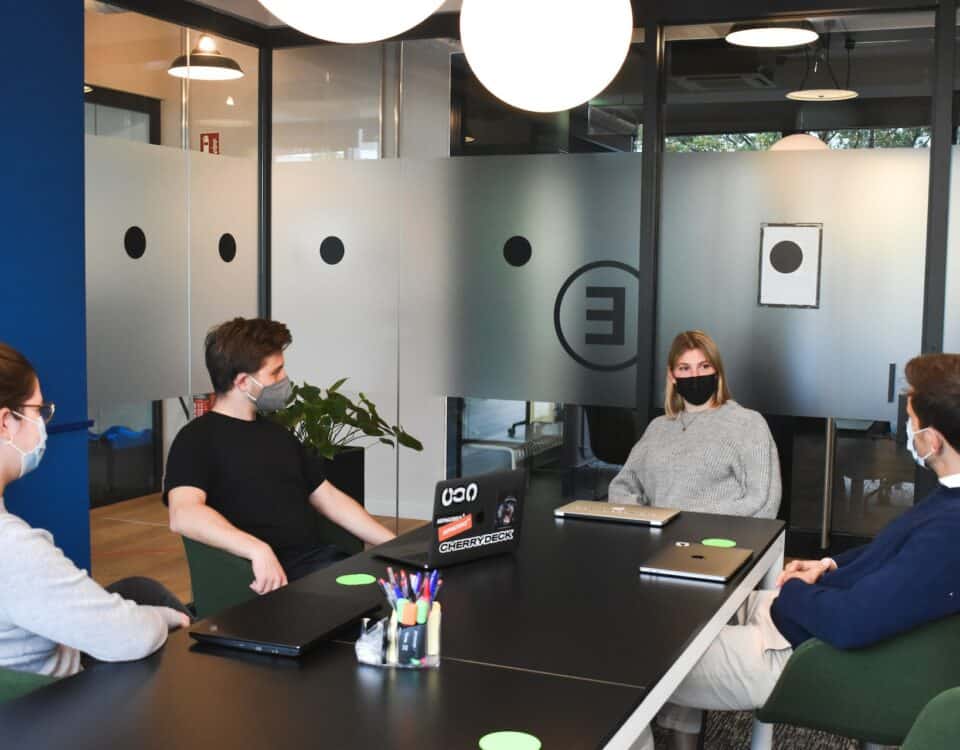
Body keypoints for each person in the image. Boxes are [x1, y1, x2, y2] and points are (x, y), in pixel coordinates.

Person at [637, 352, 960, 750]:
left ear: (932, 440)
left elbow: (853, 622)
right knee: (678, 610)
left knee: (627, 657)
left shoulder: (951, 530)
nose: (906, 432)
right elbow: (890, 551)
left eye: (910, 422)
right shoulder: (950, 500)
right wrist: (826, 564)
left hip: (798, 650)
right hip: (806, 615)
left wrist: (794, 588)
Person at [164, 317, 396, 595]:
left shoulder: (279, 435)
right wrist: (257, 549)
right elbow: (184, 514)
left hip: (319, 565)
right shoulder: (196, 439)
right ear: (243, 382)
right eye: (275, 373)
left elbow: (329, 498)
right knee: (383, 603)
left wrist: (395, 545)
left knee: (403, 593)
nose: (284, 380)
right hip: (267, 581)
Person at [0, 343, 189, 678]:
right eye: (38, 411)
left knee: (138, 589)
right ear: (5, 423)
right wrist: (163, 618)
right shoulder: (13, 549)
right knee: (166, 622)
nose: (42, 424)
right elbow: (132, 638)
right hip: (51, 707)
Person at [609, 329, 781, 519]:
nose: (695, 375)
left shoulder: (748, 423)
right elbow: (621, 487)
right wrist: (649, 520)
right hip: (659, 541)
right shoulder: (658, 427)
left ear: (717, 371)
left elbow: (764, 503)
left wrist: (696, 524)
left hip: (718, 543)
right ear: (673, 376)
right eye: (684, 368)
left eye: (704, 366)